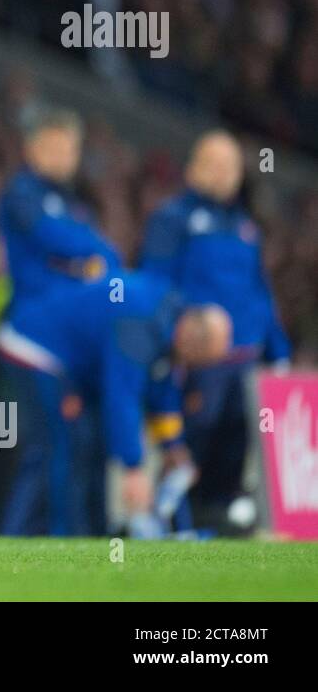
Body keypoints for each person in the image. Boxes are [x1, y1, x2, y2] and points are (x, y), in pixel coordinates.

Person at [0, 270, 231, 536]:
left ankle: (91, 534)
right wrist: (133, 467)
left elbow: (161, 386)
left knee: (91, 446)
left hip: (74, 364)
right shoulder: (139, 325)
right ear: (191, 342)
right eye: (198, 361)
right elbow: (122, 396)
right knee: (61, 446)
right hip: (35, 346)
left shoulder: (168, 320)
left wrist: (172, 445)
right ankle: (45, 534)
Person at [139, 130, 291, 533]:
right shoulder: (172, 218)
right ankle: (171, 526)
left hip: (244, 363)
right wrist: (172, 342)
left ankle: (220, 530)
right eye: (214, 163)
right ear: (193, 168)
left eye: (231, 166)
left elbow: (260, 292)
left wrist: (278, 352)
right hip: (200, 360)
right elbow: (156, 284)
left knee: (234, 452)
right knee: (189, 450)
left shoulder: (244, 227)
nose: (224, 174)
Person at [0, 106, 120, 322]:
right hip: (29, 310)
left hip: (67, 313)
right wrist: (90, 256)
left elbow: (108, 257)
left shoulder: (75, 203)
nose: (60, 157)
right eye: (52, 148)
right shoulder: (22, 192)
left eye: (68, 150)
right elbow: (55, 238)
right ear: (31, 148)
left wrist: (97, 258)